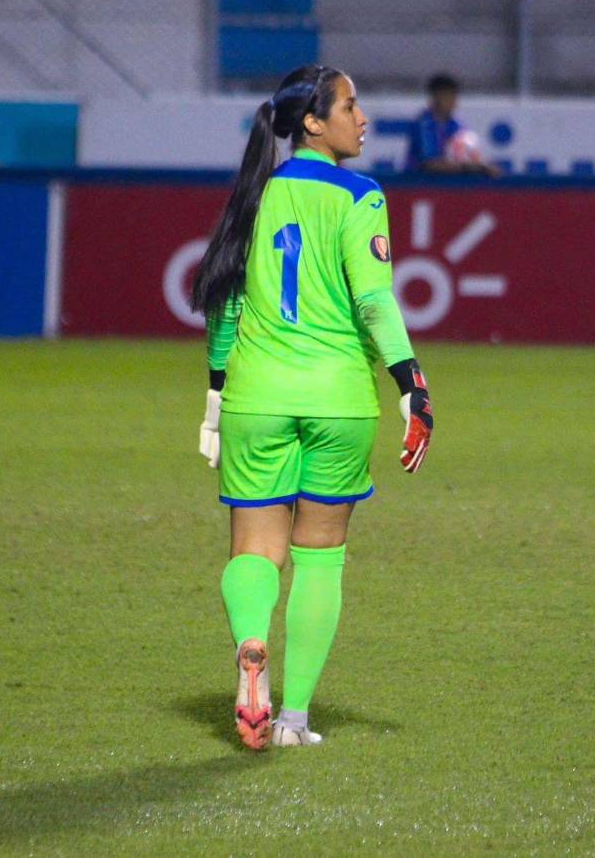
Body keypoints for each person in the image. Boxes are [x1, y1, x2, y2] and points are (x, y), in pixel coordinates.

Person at [190, 64, 434, 750]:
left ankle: (250, 643)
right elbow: (374, 300)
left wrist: (214, 401)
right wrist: (412, 383)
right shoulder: (361, 196)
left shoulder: (252, 196)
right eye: (351, 106)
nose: (365, 119)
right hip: (338, 400)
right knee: (321, 556)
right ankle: (295, 718)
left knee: (255, 552)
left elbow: (226, 306)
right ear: (313, 124)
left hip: (256, 397)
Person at [406, 73, 500, 175]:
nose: (453, 102)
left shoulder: (457, 125)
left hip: (447, 186)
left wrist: (482, 165)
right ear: (435, 98)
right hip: (418, 185)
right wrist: (472, 167)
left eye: (454, 96)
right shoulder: (424, 125)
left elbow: (469, 153)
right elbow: (430, 164)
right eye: (447, 96)